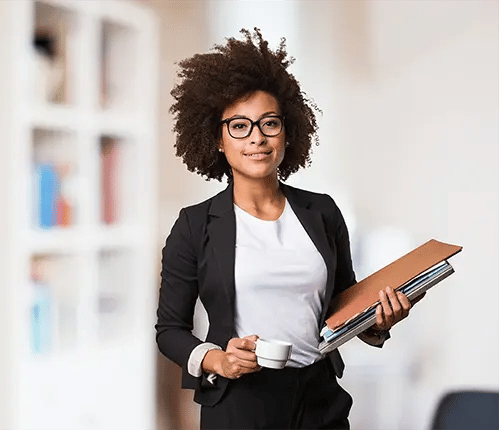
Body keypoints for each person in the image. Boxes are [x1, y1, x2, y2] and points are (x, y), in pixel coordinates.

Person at [155, 28, 421, 429]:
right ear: (217, 139)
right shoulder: (195, 225)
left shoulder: (322, 212)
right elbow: (169, 330)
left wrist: (377, 323)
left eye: (270, 123)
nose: (257, 138)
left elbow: (340, 309)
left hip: (319, 397)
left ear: (287, 130)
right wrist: (219, 360)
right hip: (240, 402)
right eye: (239, 126)